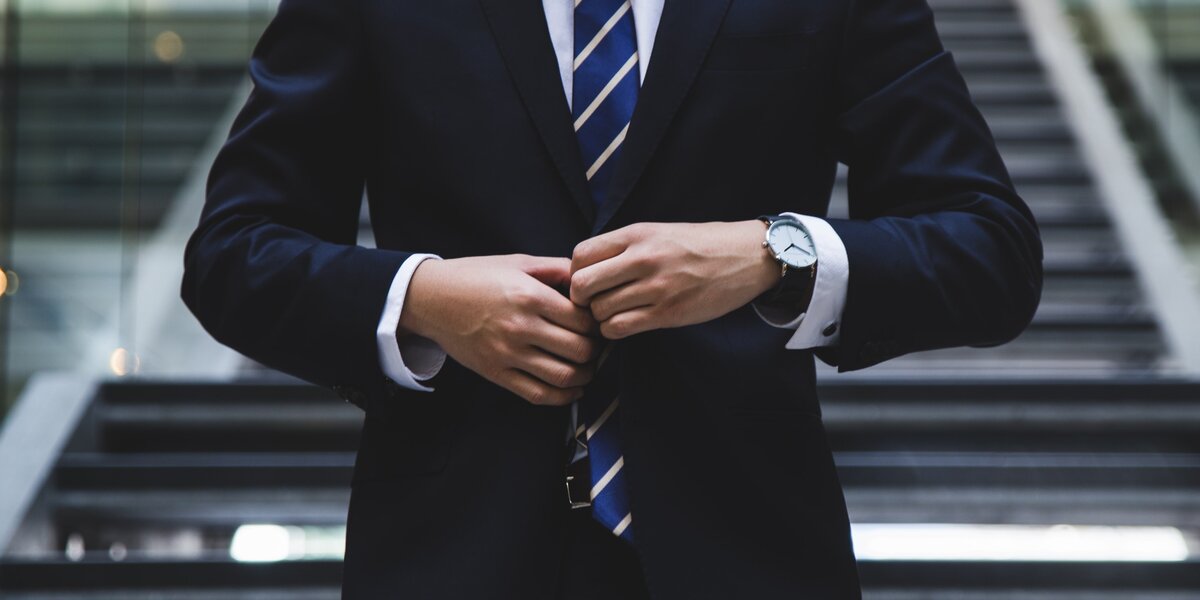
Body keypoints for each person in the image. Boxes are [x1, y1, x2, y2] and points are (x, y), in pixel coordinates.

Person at [181, 0, 1044, 597]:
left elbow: (990, 248)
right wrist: (422, 297)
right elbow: (231, 253)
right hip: (450, 552)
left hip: (749, 551)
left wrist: (775, 251)